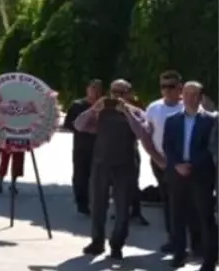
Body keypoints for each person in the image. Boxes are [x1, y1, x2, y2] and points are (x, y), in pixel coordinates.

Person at [74, 79, 157, 261]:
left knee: (122, 207)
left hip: (125, 164)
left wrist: (127, 111)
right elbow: (78, 125)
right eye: (114, 92)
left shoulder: (137, 112)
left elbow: (142, 133)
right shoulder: (101, 112)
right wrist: (93, 109)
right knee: (97, 204)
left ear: (129, 93)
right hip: (101, 163)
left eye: (121, 92)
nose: (117, 96)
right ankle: (97, 242)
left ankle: (117, 245)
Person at [164, 81, 217, 271]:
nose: (189, 97)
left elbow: (210, 148)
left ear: (201, 97)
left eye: (194, 94)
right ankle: (179, 254)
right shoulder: (172, 120)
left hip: (201, 174)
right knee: (177, 215)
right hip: (178, 174)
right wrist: (177, 165)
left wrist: (192, 165)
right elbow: (167, 146)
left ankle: (209, 258)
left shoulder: (210, 120)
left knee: (204, 216)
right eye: (186, 93)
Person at [145, 71, 188, 247]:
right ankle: (174, 238)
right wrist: (157, 159)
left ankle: (195, 239)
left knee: (189, 201)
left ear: (180, 87)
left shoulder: (189, 106)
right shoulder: (154, 108)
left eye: (171, 86)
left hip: (186, 162)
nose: (167, 90)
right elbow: (146, 136)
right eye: (163, 86)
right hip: (162, 162)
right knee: (169, 201)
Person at [64, 80, 103, 215]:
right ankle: (82, 203)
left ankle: (96, 201)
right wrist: (84, 129)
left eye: (98, 89)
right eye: (93, 88)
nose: (95, 91)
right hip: (82, 145)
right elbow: (68, 124)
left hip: (99, 145)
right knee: (81, 174)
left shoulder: (103, 106)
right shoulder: (78, 105)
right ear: (87, 89)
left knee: (98, 175)